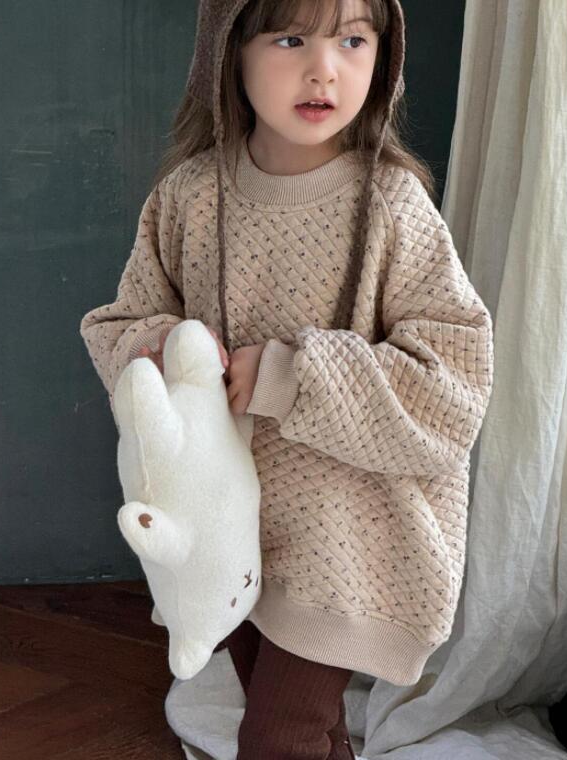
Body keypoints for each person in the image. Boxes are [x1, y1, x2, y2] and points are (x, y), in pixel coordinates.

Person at [79, 0, 495, 757]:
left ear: (383, 55)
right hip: (225, 528)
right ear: (230, 50)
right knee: (309, 732)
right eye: (291, 38)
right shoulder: (189, 195)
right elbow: (120, 324)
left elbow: (453, 382)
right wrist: (165, 347)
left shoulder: (392, 206)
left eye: (353, 40)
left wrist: (289, 375)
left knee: (277, 736)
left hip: (348, 538)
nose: (323, 69)